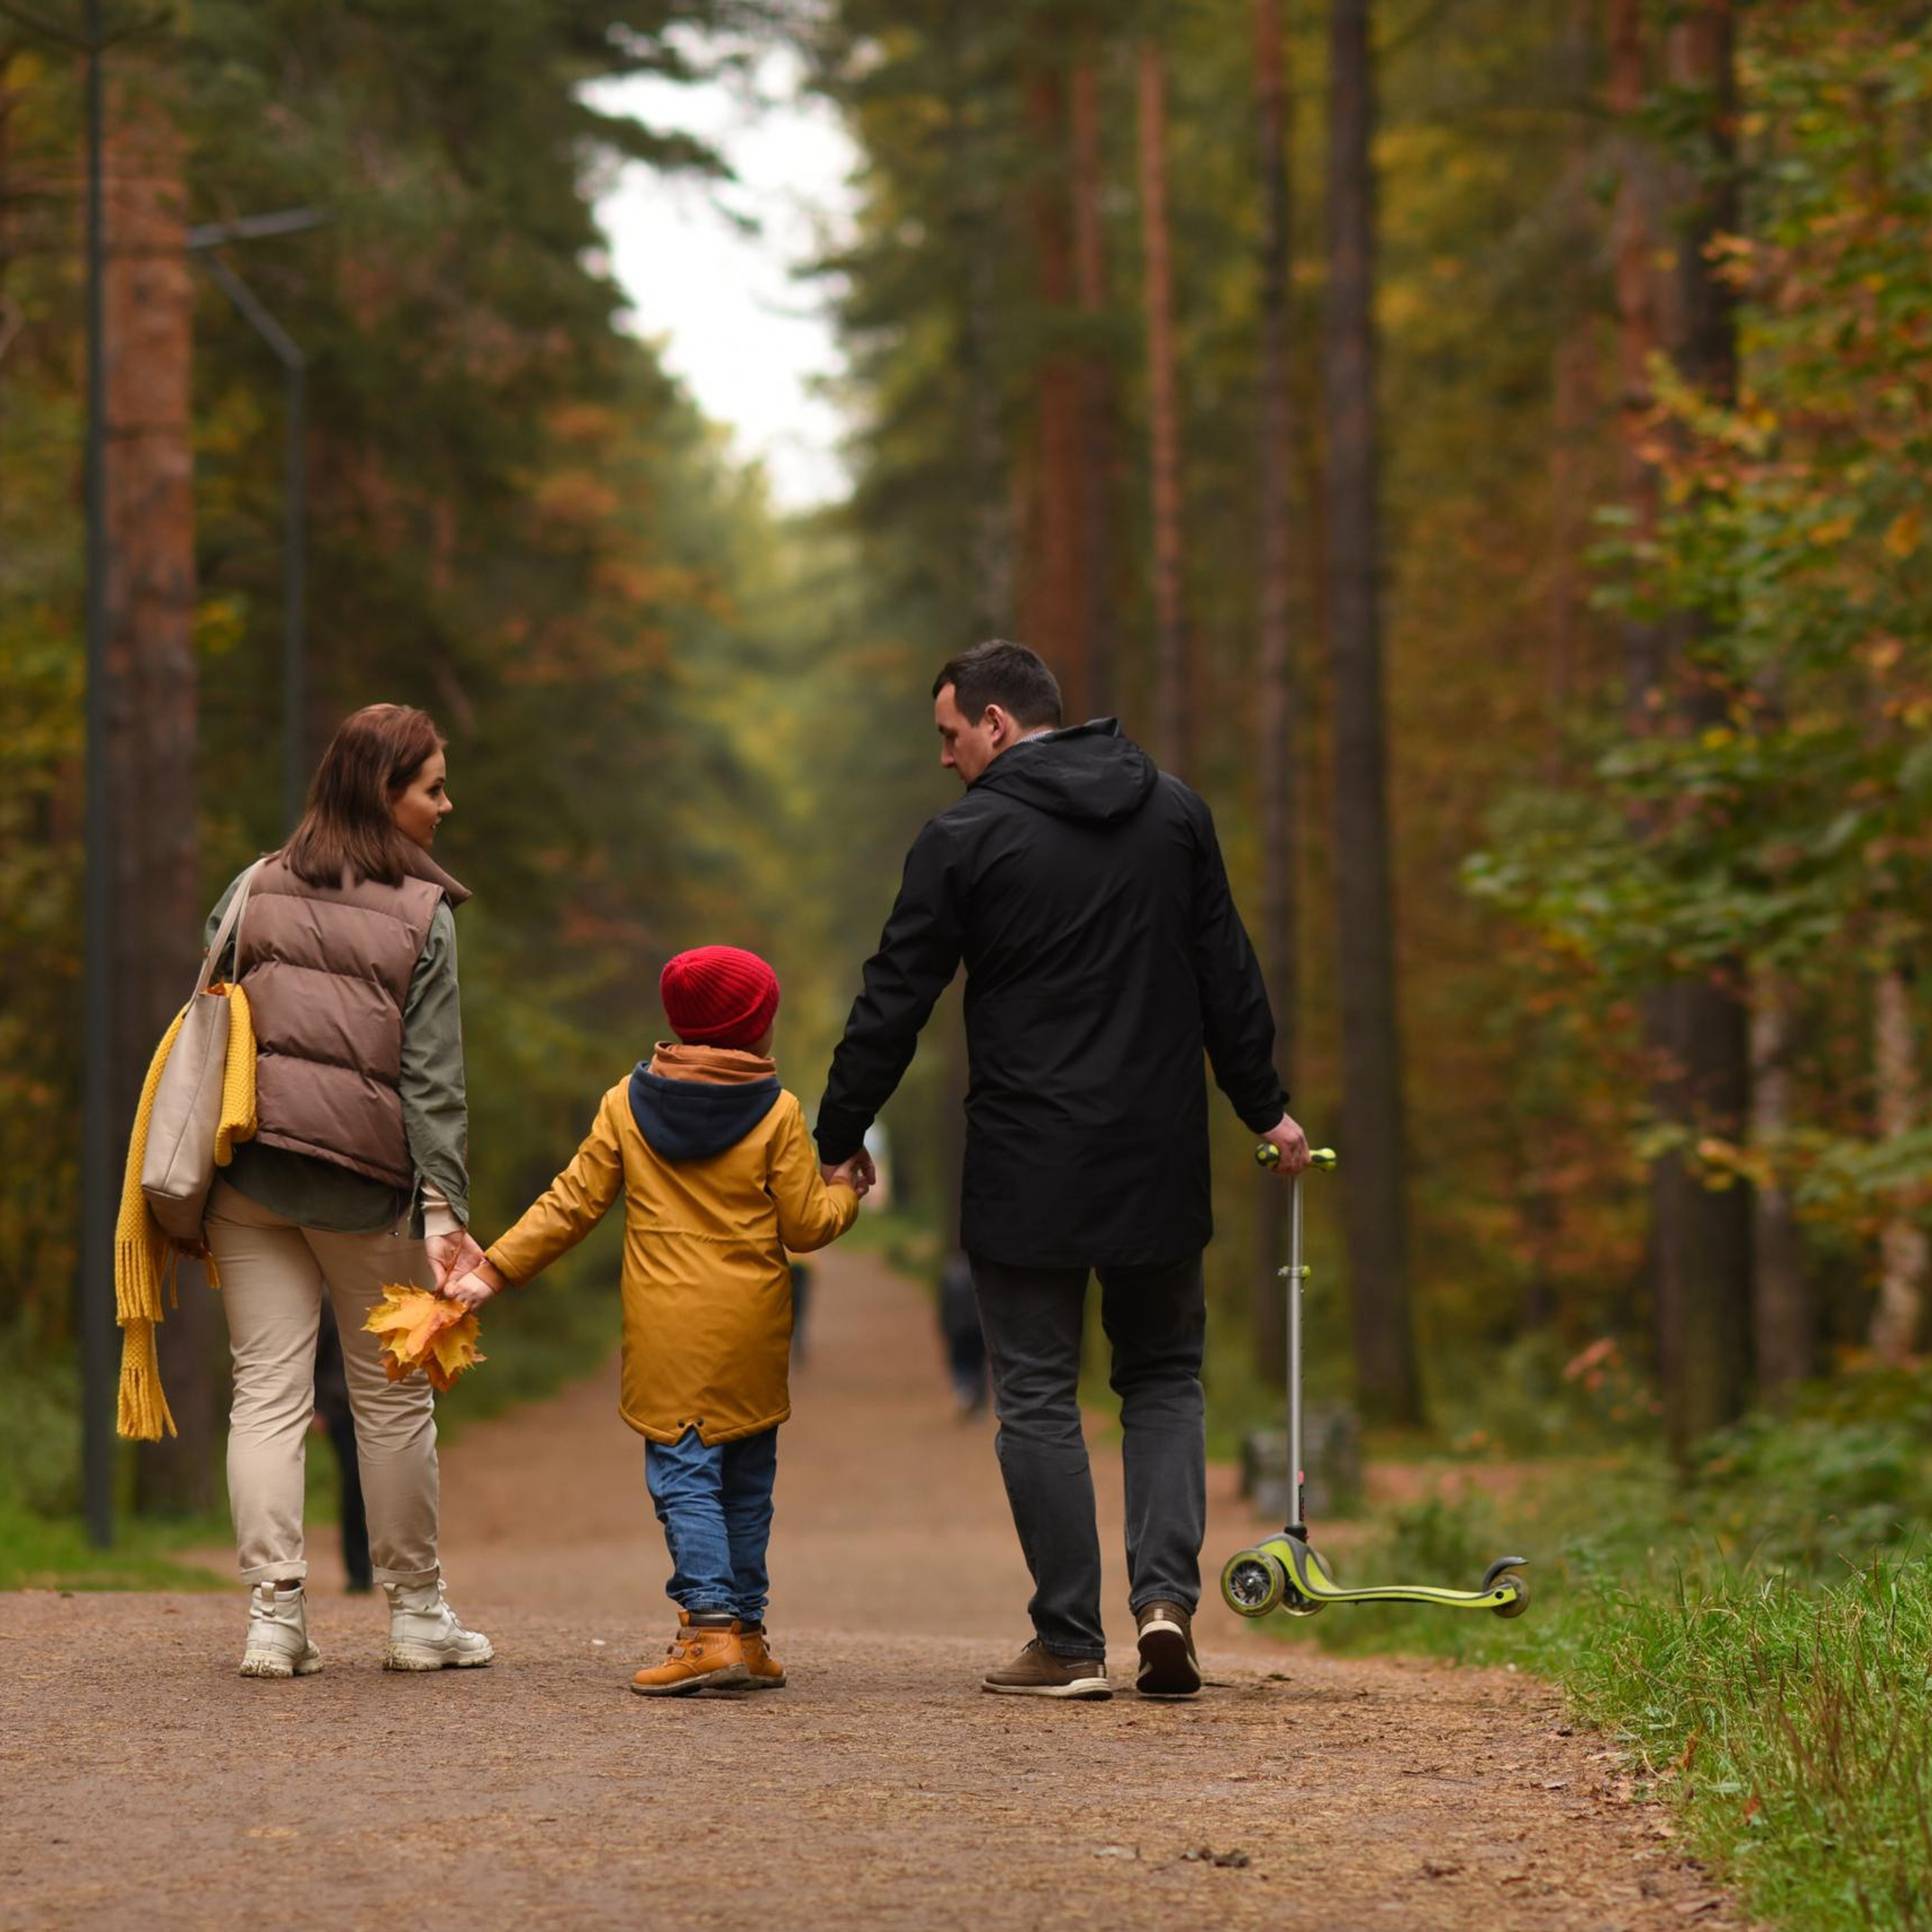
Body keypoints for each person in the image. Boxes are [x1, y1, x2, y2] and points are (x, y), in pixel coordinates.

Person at [814, 640, 1309, 1702]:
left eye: (950, 736)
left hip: (1027, 1160)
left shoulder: (966, 837)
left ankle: (1071, 1643)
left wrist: (838, 1130)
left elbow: (894, 996)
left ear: (997, 724)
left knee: (1037, 1393)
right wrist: (1263, 1106)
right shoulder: (1174, 812)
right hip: (1156, 1156)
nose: (945, 760)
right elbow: (1229, 969)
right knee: (1164, 1378)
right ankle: (1166, 1606)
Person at [448, 946, 871, 1697]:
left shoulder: (626, 1103)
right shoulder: (777, 1111)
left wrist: (493, 1269)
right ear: (756, 1029)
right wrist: (844, 1190)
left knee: (684, 1475)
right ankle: (745, 1634)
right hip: (751, 1326)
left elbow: (571, 1203)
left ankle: (706, 1630)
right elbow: (806, 1227)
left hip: (668, 1328)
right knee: (744, 1478)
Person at [202, 702, 493, 1679]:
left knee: (267, 1397)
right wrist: (447, 1215)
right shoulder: (425, 915)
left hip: (249, 1177)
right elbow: (433, 1084)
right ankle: (416, 1616)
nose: (447, 806)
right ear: (385, 794)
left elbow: (214, 1013)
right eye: (433, 788)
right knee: (396, 1403)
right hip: (368, 1188)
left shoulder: (254, 886)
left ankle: (273, 1619)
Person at [937, 1250, 987, 1417]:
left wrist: (944, 1327)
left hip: (957, 1327)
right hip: (978, 1327)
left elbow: (944, 1306)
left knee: (960, 1361)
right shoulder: (981, 1273)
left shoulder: (949, 1274)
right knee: (978, 1364)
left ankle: (964, 1389)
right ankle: (977, 1405)